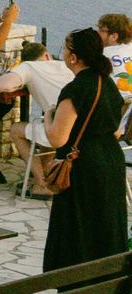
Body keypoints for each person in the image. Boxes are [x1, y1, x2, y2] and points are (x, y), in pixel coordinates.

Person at [42, 29, 129, 273]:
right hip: (111, 161)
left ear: (73, 57)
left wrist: (48, 117)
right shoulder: (107, 84)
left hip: (83, 167)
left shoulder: (76, 89)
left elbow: (58, 138)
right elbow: (115, 130)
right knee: (104, 228)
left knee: (79, 229)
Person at [0, 41, 78, 197]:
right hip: (80, 130)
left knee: (16, 130)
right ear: (47, 55)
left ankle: (41, 184)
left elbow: (3, 86)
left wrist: (20, 82)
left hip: (60, 131)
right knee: (44, 124)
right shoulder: (65, 65)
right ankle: (48, 174)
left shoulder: (28, 67)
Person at [98, 13, 132, 96]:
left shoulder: (104, 53)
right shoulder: (129, 47)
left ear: (113, 37)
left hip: (117, 100)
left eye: (101, 31)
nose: (98, 34)